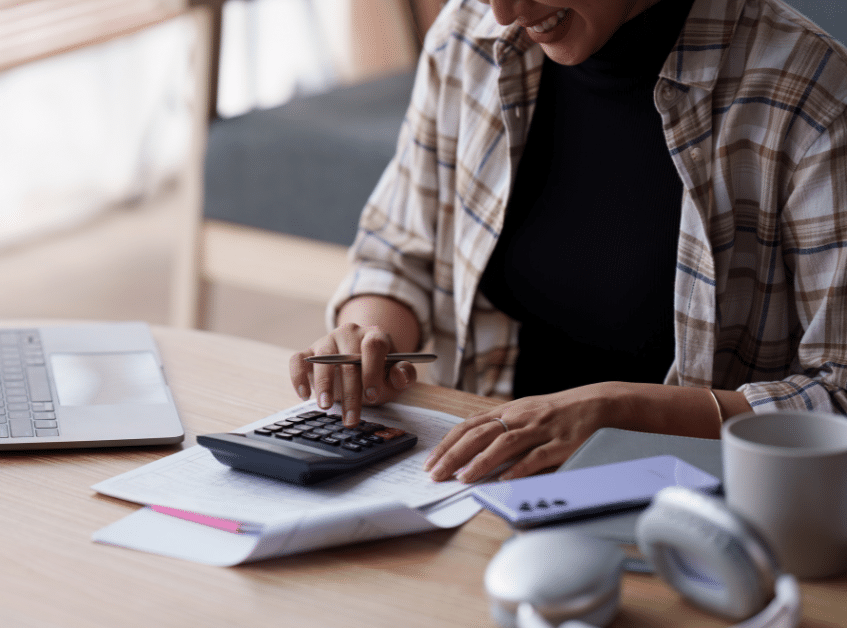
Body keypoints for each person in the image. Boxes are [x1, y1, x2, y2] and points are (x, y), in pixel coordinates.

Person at [288, 0, 847, 484]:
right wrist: (370, 333)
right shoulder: (471, 34)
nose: (504, 13)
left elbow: (837, 394)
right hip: (478, 483)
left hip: (706, 513)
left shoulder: (813, 97)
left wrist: (620, 411)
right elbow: (397, 248)